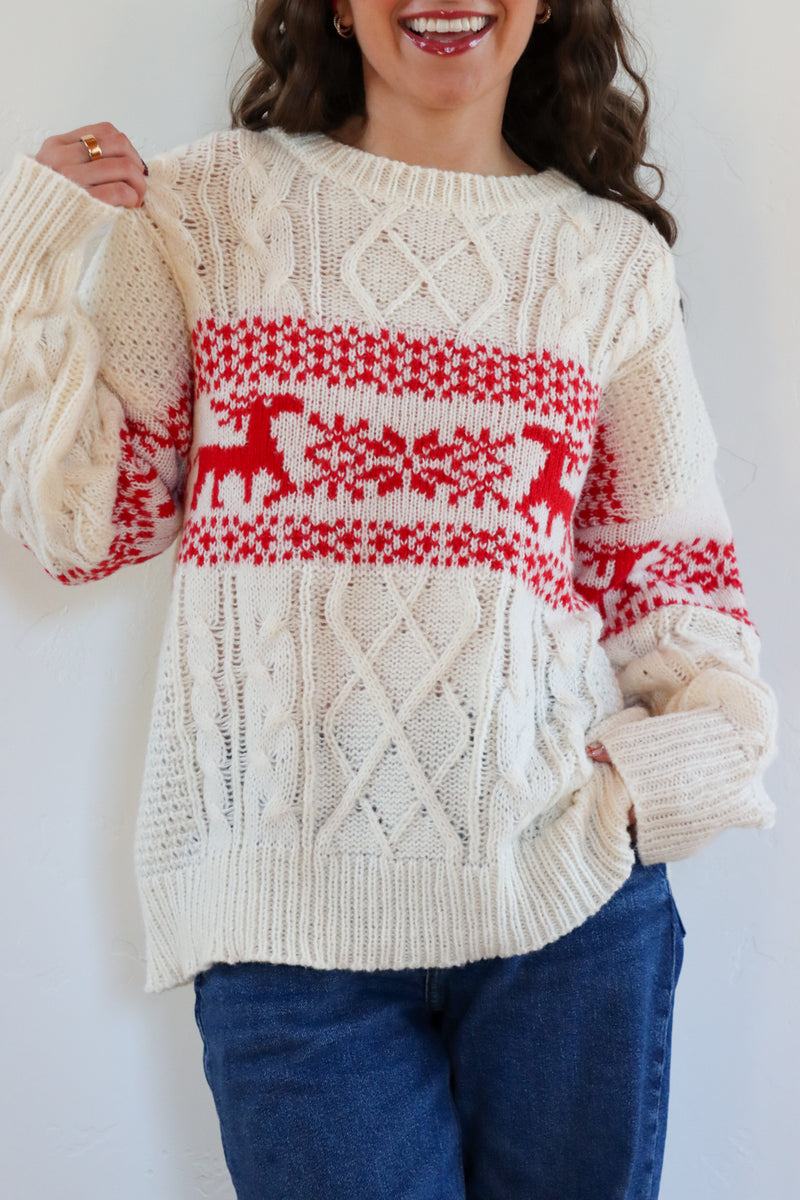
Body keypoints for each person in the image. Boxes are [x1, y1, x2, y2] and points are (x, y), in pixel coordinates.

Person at [0, 1, 778, 1197]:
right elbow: (85, 532)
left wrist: (648, 793)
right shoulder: (207, 211)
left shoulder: (607, 262)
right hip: (286, 941)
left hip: (563, 918)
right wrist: (33, 256)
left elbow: (680, 601)